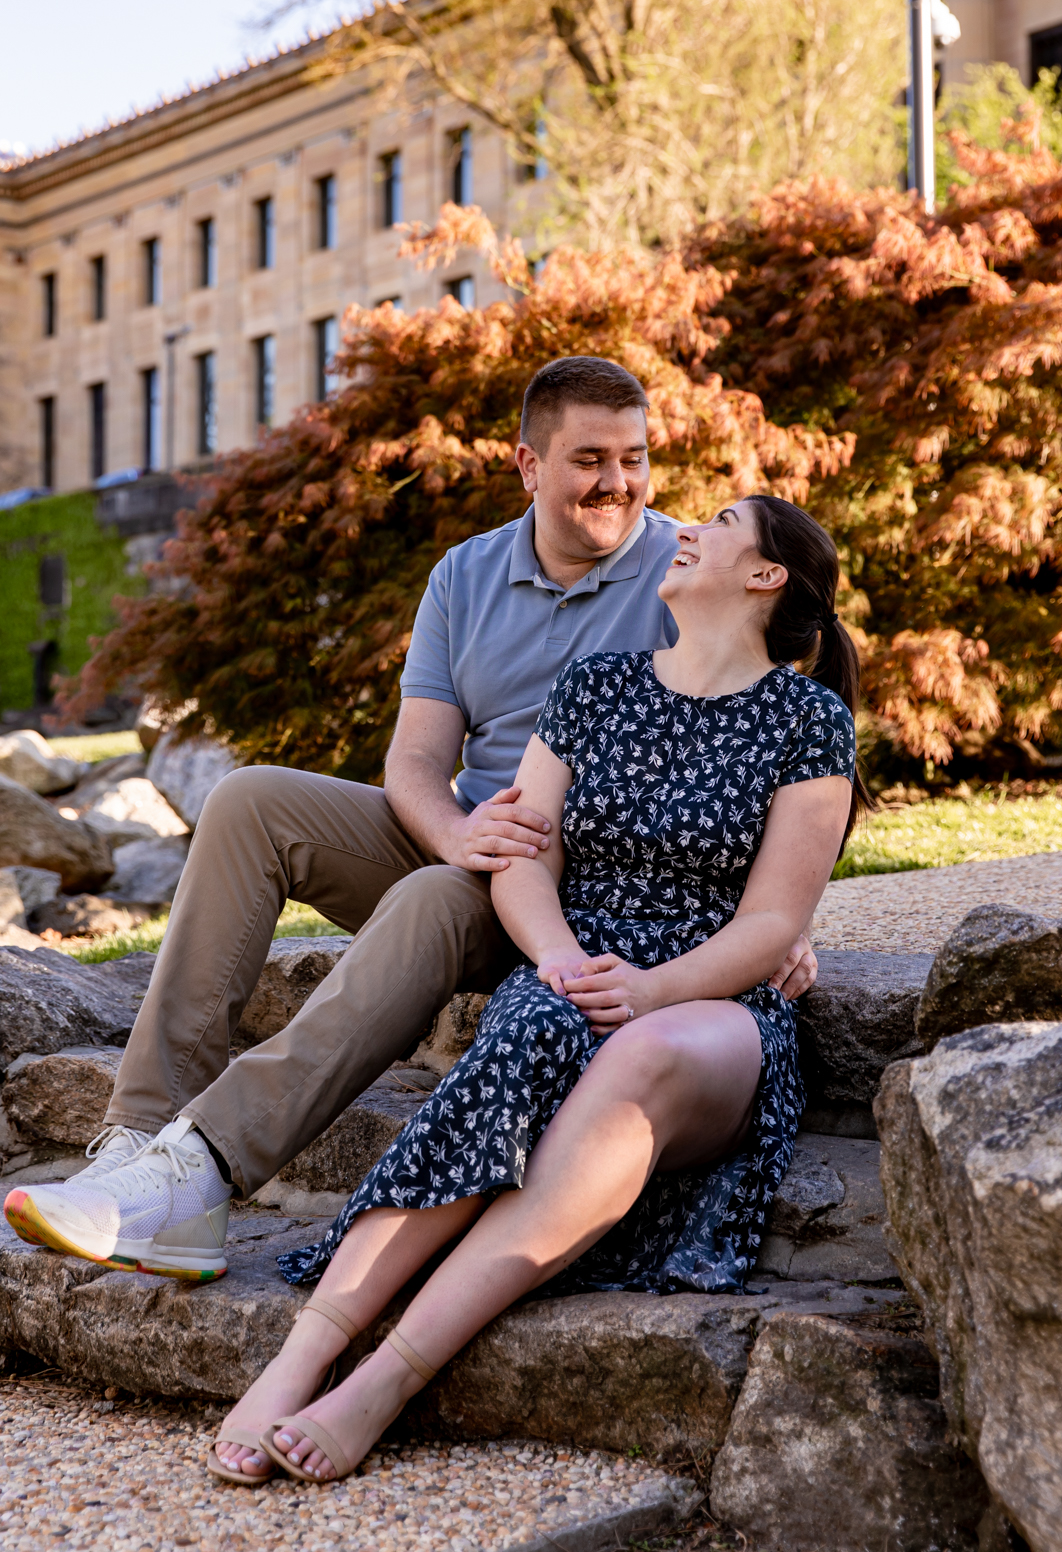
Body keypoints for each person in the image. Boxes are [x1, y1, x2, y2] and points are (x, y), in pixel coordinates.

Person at [3, 357, 820, 1279]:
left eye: (634, 458)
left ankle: (204, 1173)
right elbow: (416, 762)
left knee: (437, 896)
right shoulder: (465, 575)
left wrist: (771, 921)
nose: (618, 484)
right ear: (527, 465)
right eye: (589, 458)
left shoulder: (684, 574)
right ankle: (138, 1144)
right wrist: (455, 833)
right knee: (248, 801)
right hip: (470, 840)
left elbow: (769, 738)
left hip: (579, 886)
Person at [205, 492, 864, 1486]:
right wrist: (555, 958)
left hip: (710, 1005)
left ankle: (384, 1377)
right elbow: (520, 845)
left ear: (767, 574)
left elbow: (772, 922)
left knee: (642, 1053)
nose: (689, 524)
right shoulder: (595, 684)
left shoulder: (808, 720)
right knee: (522, 1033)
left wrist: (650, 990)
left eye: (722, 518)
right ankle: (301, 1355)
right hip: (573, 961)